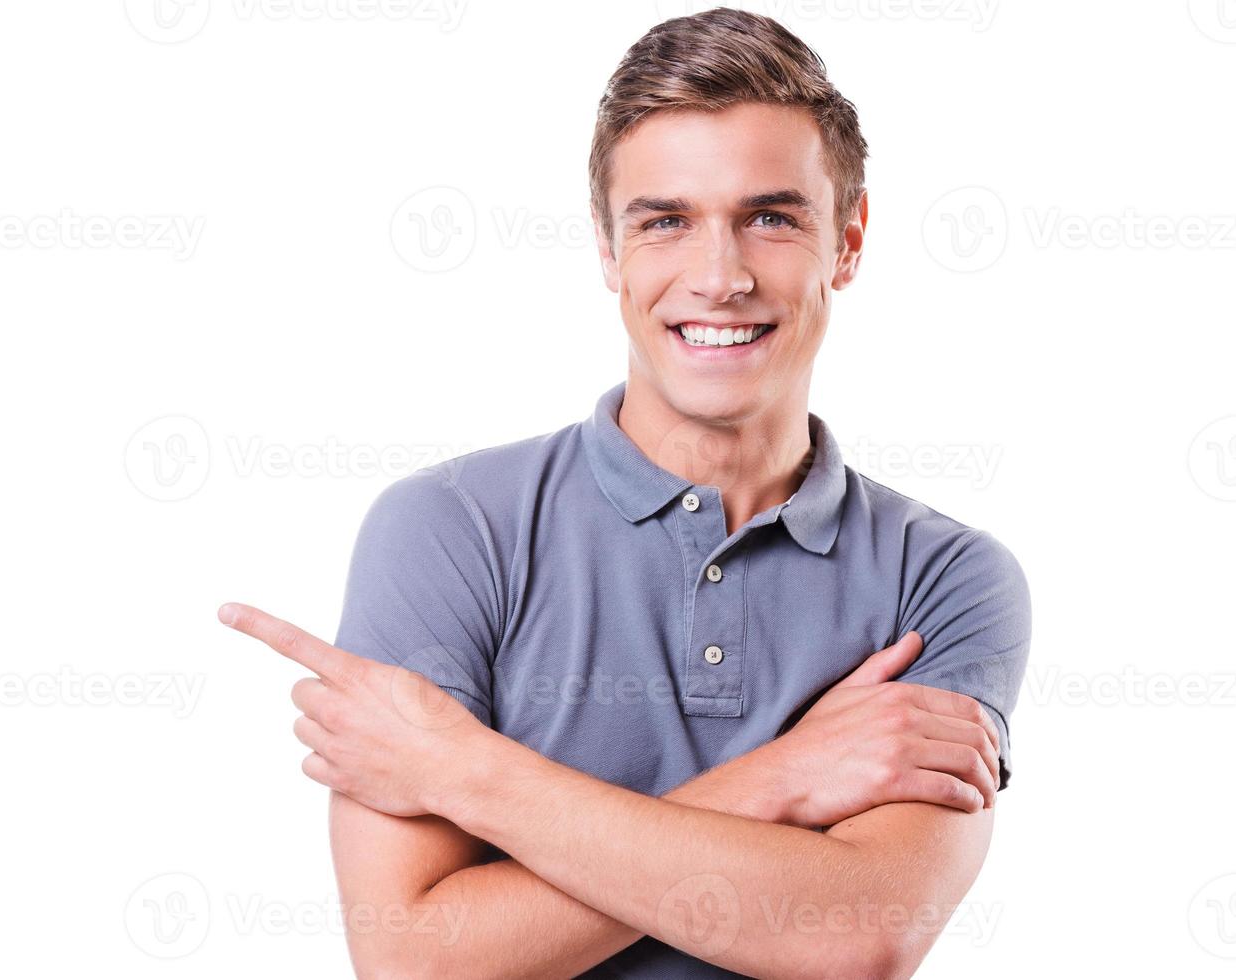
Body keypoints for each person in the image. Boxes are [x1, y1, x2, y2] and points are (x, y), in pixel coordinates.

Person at [219, 8, 1031, 977]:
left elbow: (852, 935)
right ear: (607, 250)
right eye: (664, 222)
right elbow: (417, 961)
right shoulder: (446, 530)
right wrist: (779, 779)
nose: (718, 276)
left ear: (847, 241)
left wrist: (465, 770)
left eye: (769, 217)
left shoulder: (942, 580)